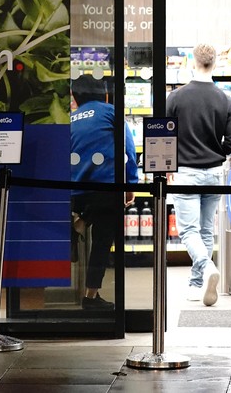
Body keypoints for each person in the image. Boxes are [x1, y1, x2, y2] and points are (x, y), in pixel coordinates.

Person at [166, 43, 231, 306]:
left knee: (188, 231)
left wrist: (168, 166)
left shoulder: (175, 98)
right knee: (206, 231)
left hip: (185, 172)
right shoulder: (225, 99)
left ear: (192, 63)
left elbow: (164, 137)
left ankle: (206, 271)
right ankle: (197, 284)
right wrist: (214, 151)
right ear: (215, 65)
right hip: (214, 173)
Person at [70, 74, 139, 310]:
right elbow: (128, 151)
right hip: (107, 190)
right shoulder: (111, 112)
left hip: (74, 191)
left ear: (75, 98)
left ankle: (79, 223)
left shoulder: (70, 118)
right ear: (105, 94)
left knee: (98, 203)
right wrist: (130, 186)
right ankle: (90, 296)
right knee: (102, 240)